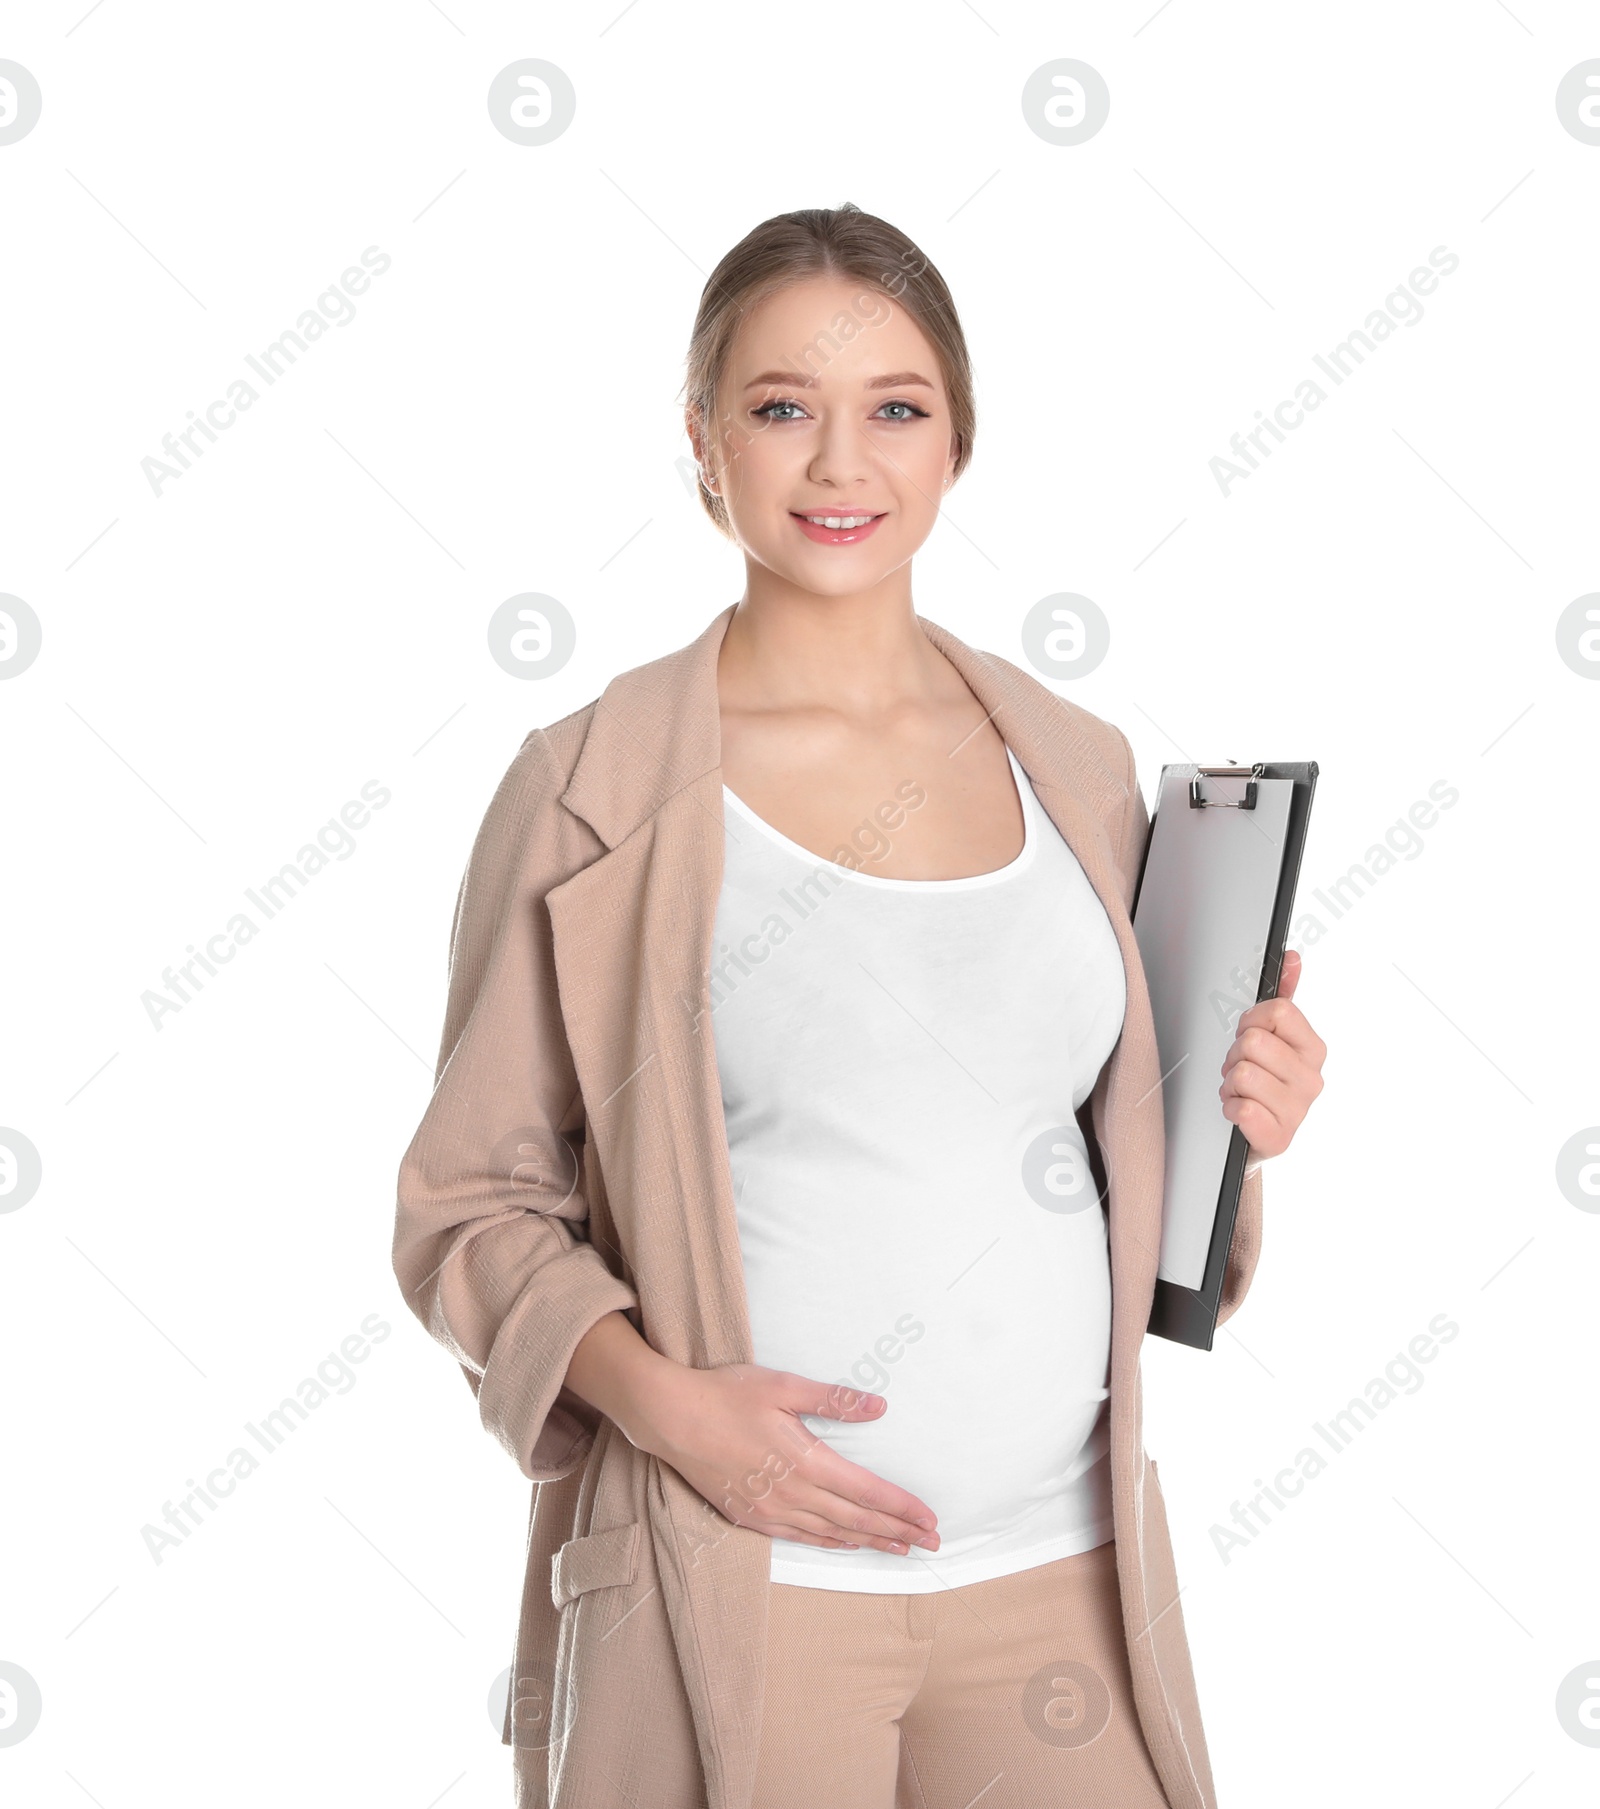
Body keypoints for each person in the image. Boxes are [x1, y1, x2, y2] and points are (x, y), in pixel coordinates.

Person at [393, 204, 1326, 1809]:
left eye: (895, 407)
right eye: (780, 408)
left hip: (1065, 1581)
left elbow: (1109, 1175)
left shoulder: (1081, 767)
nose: (841, 463)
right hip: (745, 1583)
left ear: (957, 439)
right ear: (702, 441)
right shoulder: (589, 790)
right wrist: (673, 1408)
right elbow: (469, 1207)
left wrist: (1246, 1121)